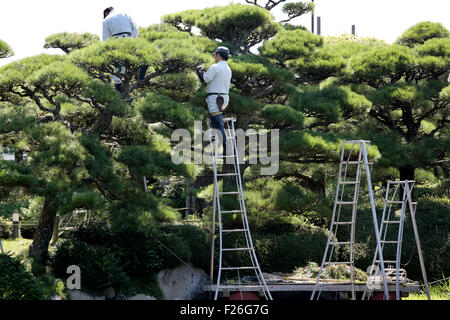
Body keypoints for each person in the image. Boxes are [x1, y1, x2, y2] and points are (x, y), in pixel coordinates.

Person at [196, 47, 232, 155]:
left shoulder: (215, 66)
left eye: (215, 54)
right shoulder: (228, 68)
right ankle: (218, 142)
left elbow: (205, 79)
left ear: (219, 55)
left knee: (218, 124)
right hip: (224, 98)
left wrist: (199, 71)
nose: (214, 56)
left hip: (215, 98)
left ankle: (226, 149)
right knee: (216, 123)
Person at [102, 7, 147, 91]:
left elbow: (106, 40)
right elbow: (136, 32)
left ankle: (119, 93)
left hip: (116, 43)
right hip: (130, 41)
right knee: (145, 58)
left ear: (106, 13)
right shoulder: (126, 15)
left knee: (117, 70)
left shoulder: (106, 20)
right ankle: (141, 78)